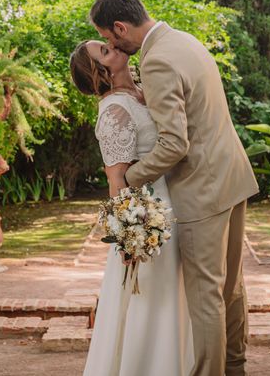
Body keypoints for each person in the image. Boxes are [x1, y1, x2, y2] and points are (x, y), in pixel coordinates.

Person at [89, 0, 259, 376]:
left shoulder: (156, 61)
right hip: (232, 177)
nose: (109, 45)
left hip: (202, 190)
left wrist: (128, 178)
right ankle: (236, 369)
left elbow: (174, 144)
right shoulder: (184, 41)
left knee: (205, 299)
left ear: (119, 27)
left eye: (107, 38)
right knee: (230, 289)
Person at [70, 38, 193, 376]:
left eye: (106, 44)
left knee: (175, 296)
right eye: (105, 52)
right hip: (148, 218)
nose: (113, 47)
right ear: (101, 73)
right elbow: (117, 180)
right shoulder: (114, 111)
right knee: (153, 298)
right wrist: (128, 235)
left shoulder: (141, 91)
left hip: (176, 204)